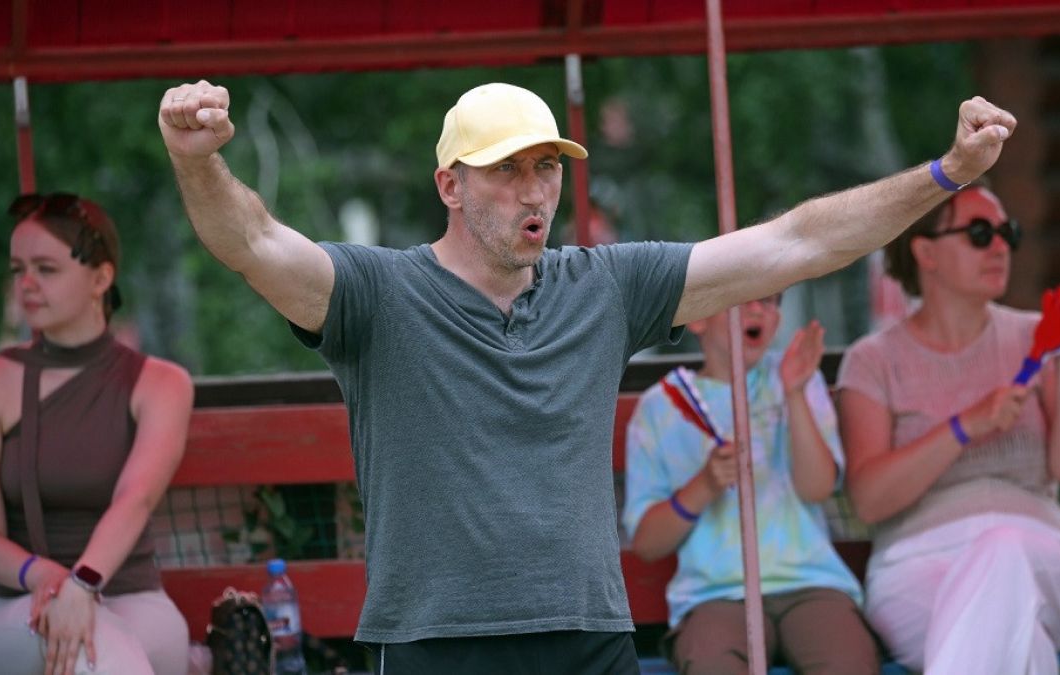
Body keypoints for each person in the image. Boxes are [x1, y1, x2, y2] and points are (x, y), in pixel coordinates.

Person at [157, 78, 1015, 673]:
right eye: (507, 169)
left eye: (547, 167)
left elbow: (797, 242)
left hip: (589, 636)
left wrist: (946, 174)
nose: (534, 191)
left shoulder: (606, 285)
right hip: (433, 640)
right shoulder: (377, 294)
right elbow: (253, 242)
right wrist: (196, 161)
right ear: (450, 185)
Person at [836, 183, 1060, 674]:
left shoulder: (1036, 335)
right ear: (925, 252)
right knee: (1015, 641)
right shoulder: (873, 361)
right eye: (979, 233)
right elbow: (869, 501)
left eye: (1007, 233)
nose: (1000, 247)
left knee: (1001, 549)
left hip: (1041, 555)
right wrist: (965, 426)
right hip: (916, 566)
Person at [0, 193, 193, 675]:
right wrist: (44, 576)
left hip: (134, 600)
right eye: (18, 270)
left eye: (46, 269)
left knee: (98, 645)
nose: (26, 285)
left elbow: (135, 498)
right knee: (95, 650)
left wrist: (82, 585)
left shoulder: (161, 384)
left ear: (101, 278)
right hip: (14, 605)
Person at [623, 296, 878, 674]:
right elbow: (647, 543)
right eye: (743, 298)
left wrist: (794, 393)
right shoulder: (661, 408)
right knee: (713, 664)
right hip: (715, 593)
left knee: (847, 662)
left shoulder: (798, 377)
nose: (759, 310)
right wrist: (705, 485)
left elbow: (817, 488)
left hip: (809, 582)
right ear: (698, 318)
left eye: (771, 300)